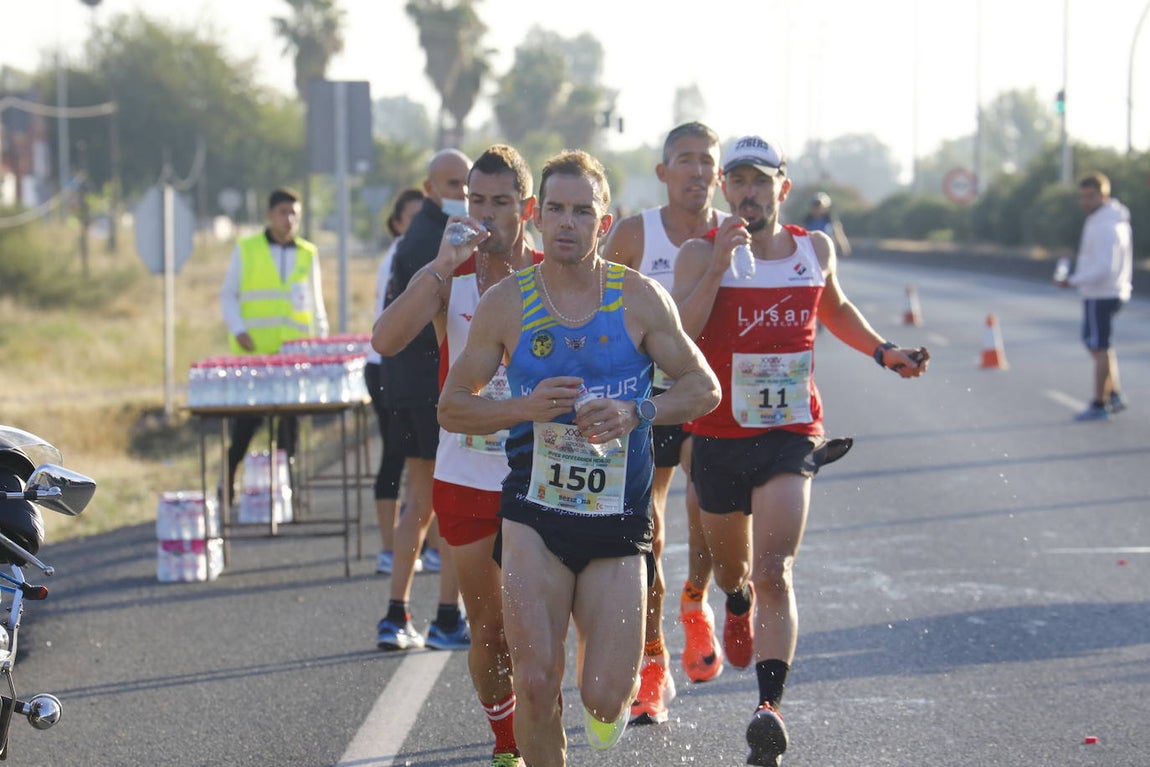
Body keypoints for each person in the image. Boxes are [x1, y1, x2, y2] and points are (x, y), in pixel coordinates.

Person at [438, 150, 720, 766]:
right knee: (536, 685)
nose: (568, 222)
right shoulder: (508, 303)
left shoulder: (639, 299)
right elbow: (452, 407)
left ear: (605, 221)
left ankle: (607, 709)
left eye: (582, 211)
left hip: (617, 522)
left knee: (603, 698)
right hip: (533, 515)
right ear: (538, 215)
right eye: (557, 209)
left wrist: (636, 412)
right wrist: (523, 408)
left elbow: (704, 388)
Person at [672, 135, 929, 767]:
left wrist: (883, 351)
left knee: (775, 569)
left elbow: (833, 308)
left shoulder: (813, 249)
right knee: (736, 575)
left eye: (761, 181)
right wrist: (715, 267)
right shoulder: (695, 254)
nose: (749, 192)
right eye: (738, 181)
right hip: (718, 437)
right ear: (724, 190)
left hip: (790, 432)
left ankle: (769, 710)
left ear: (781, 189)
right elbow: (678, 333)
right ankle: (732, 605)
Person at [372, 144, 542, 767]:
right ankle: (505, 746)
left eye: (501, 202)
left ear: (526, 208)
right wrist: (442, 267)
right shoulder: (451, 278)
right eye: (477, 201)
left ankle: (541, 728)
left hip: (541, 477)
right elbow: (385, 338)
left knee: (536, 628)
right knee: (489, 628)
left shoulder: (555, 274)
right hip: (466, 473)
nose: (488, 215)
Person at [601, 121, 729, 725]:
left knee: (706, 509)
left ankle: (695, 601)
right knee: (650, 524)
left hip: (722, 399)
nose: (697, 171)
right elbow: (598, 310)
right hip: (654, 397)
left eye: (707, 161)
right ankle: (653, 664)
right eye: (685, 160)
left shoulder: (738, 232)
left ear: (719, 173)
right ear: (663, 172)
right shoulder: (634, 233)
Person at [373, 149, 471, 652]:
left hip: (407, 387)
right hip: (430, 388)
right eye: (452, 183)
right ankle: (447, 617)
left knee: (422, 503)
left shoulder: (420, 235)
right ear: (430, 189)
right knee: (448, 501)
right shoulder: (440, 238)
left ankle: (396, 613)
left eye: (467, 184)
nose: (462, 193)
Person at [219, 187, 328, 503]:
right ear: (269, 215)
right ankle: (227, 483)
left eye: (294, 213)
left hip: (294, 357)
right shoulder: (247, 248)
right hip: (255, 356)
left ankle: (285, 491)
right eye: (283, 212)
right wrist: (238, 328)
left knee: (288, 430)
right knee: (246, 427)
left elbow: (316, 304)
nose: (289, 219)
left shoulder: (307, 252)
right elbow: (228, 294)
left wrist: (319, 346)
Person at [365, 188, 424, 575]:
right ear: (398, 222)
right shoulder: (401, 253)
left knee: (422, 465)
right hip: (387, 366)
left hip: (403, 366)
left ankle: (422, 547)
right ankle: (390, 547)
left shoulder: (418, 250)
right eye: (413, 217)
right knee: (396, 458)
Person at [1057, 171, 1133, 421]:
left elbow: (1103, 268)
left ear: (1104, 195)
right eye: (1083, 197)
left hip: (1102, 293)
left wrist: (1072, 281)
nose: (1085, 202)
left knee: (1099, 346)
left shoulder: (1106, 226)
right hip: (1107, 292)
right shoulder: (1110, 219)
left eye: (1090, 197)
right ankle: (1114, 393)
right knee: (1096, 343)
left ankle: (1100, 402)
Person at [801, 192, 851, 258]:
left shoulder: (830, 221)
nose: (817, 209)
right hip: (811, 252)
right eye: (815, 206)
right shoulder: (807, 221)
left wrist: (843, 247)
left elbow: (838, 234)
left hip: (828, 251)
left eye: (819, 207)